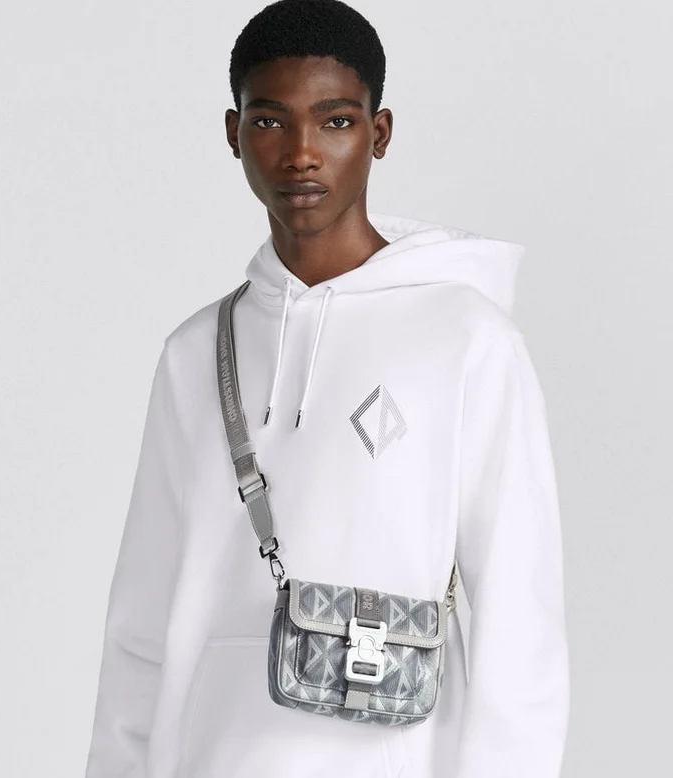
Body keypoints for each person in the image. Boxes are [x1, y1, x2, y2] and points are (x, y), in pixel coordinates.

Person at [84, 1, 570, 776]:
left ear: (379, 132)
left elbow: (521, 618)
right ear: (233, 133)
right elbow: (140, 624)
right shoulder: (194, 354)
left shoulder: (467, 339)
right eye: (270, 122)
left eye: (336, 122)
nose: (302, 153)